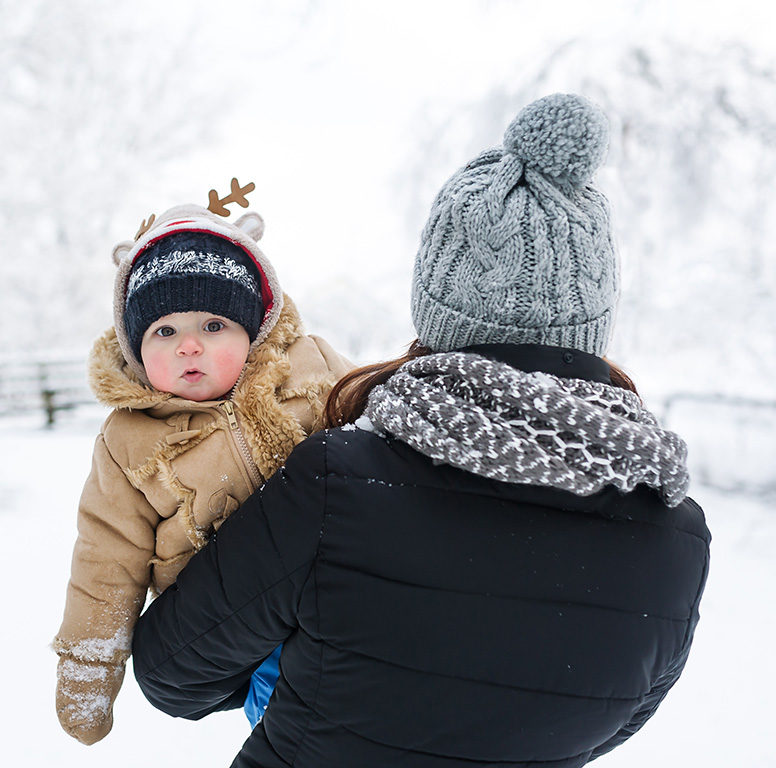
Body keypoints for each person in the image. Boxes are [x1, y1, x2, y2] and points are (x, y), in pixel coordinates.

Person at [131, 94, 711, 767]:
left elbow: (174, 673)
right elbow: (615, 725)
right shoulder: (677, 534)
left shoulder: (338, 483)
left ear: (438, 306)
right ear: (594, 315)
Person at [52, 183, 354, 745]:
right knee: (299, 724)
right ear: (136, 348)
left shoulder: (312, 366)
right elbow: (105, 557)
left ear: (254, 328)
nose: (188, 346)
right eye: (165, 331)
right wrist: (89, 668)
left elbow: (383, 413)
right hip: (239, 624)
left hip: (344, 586)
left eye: (213, 326)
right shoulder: (128, 441)